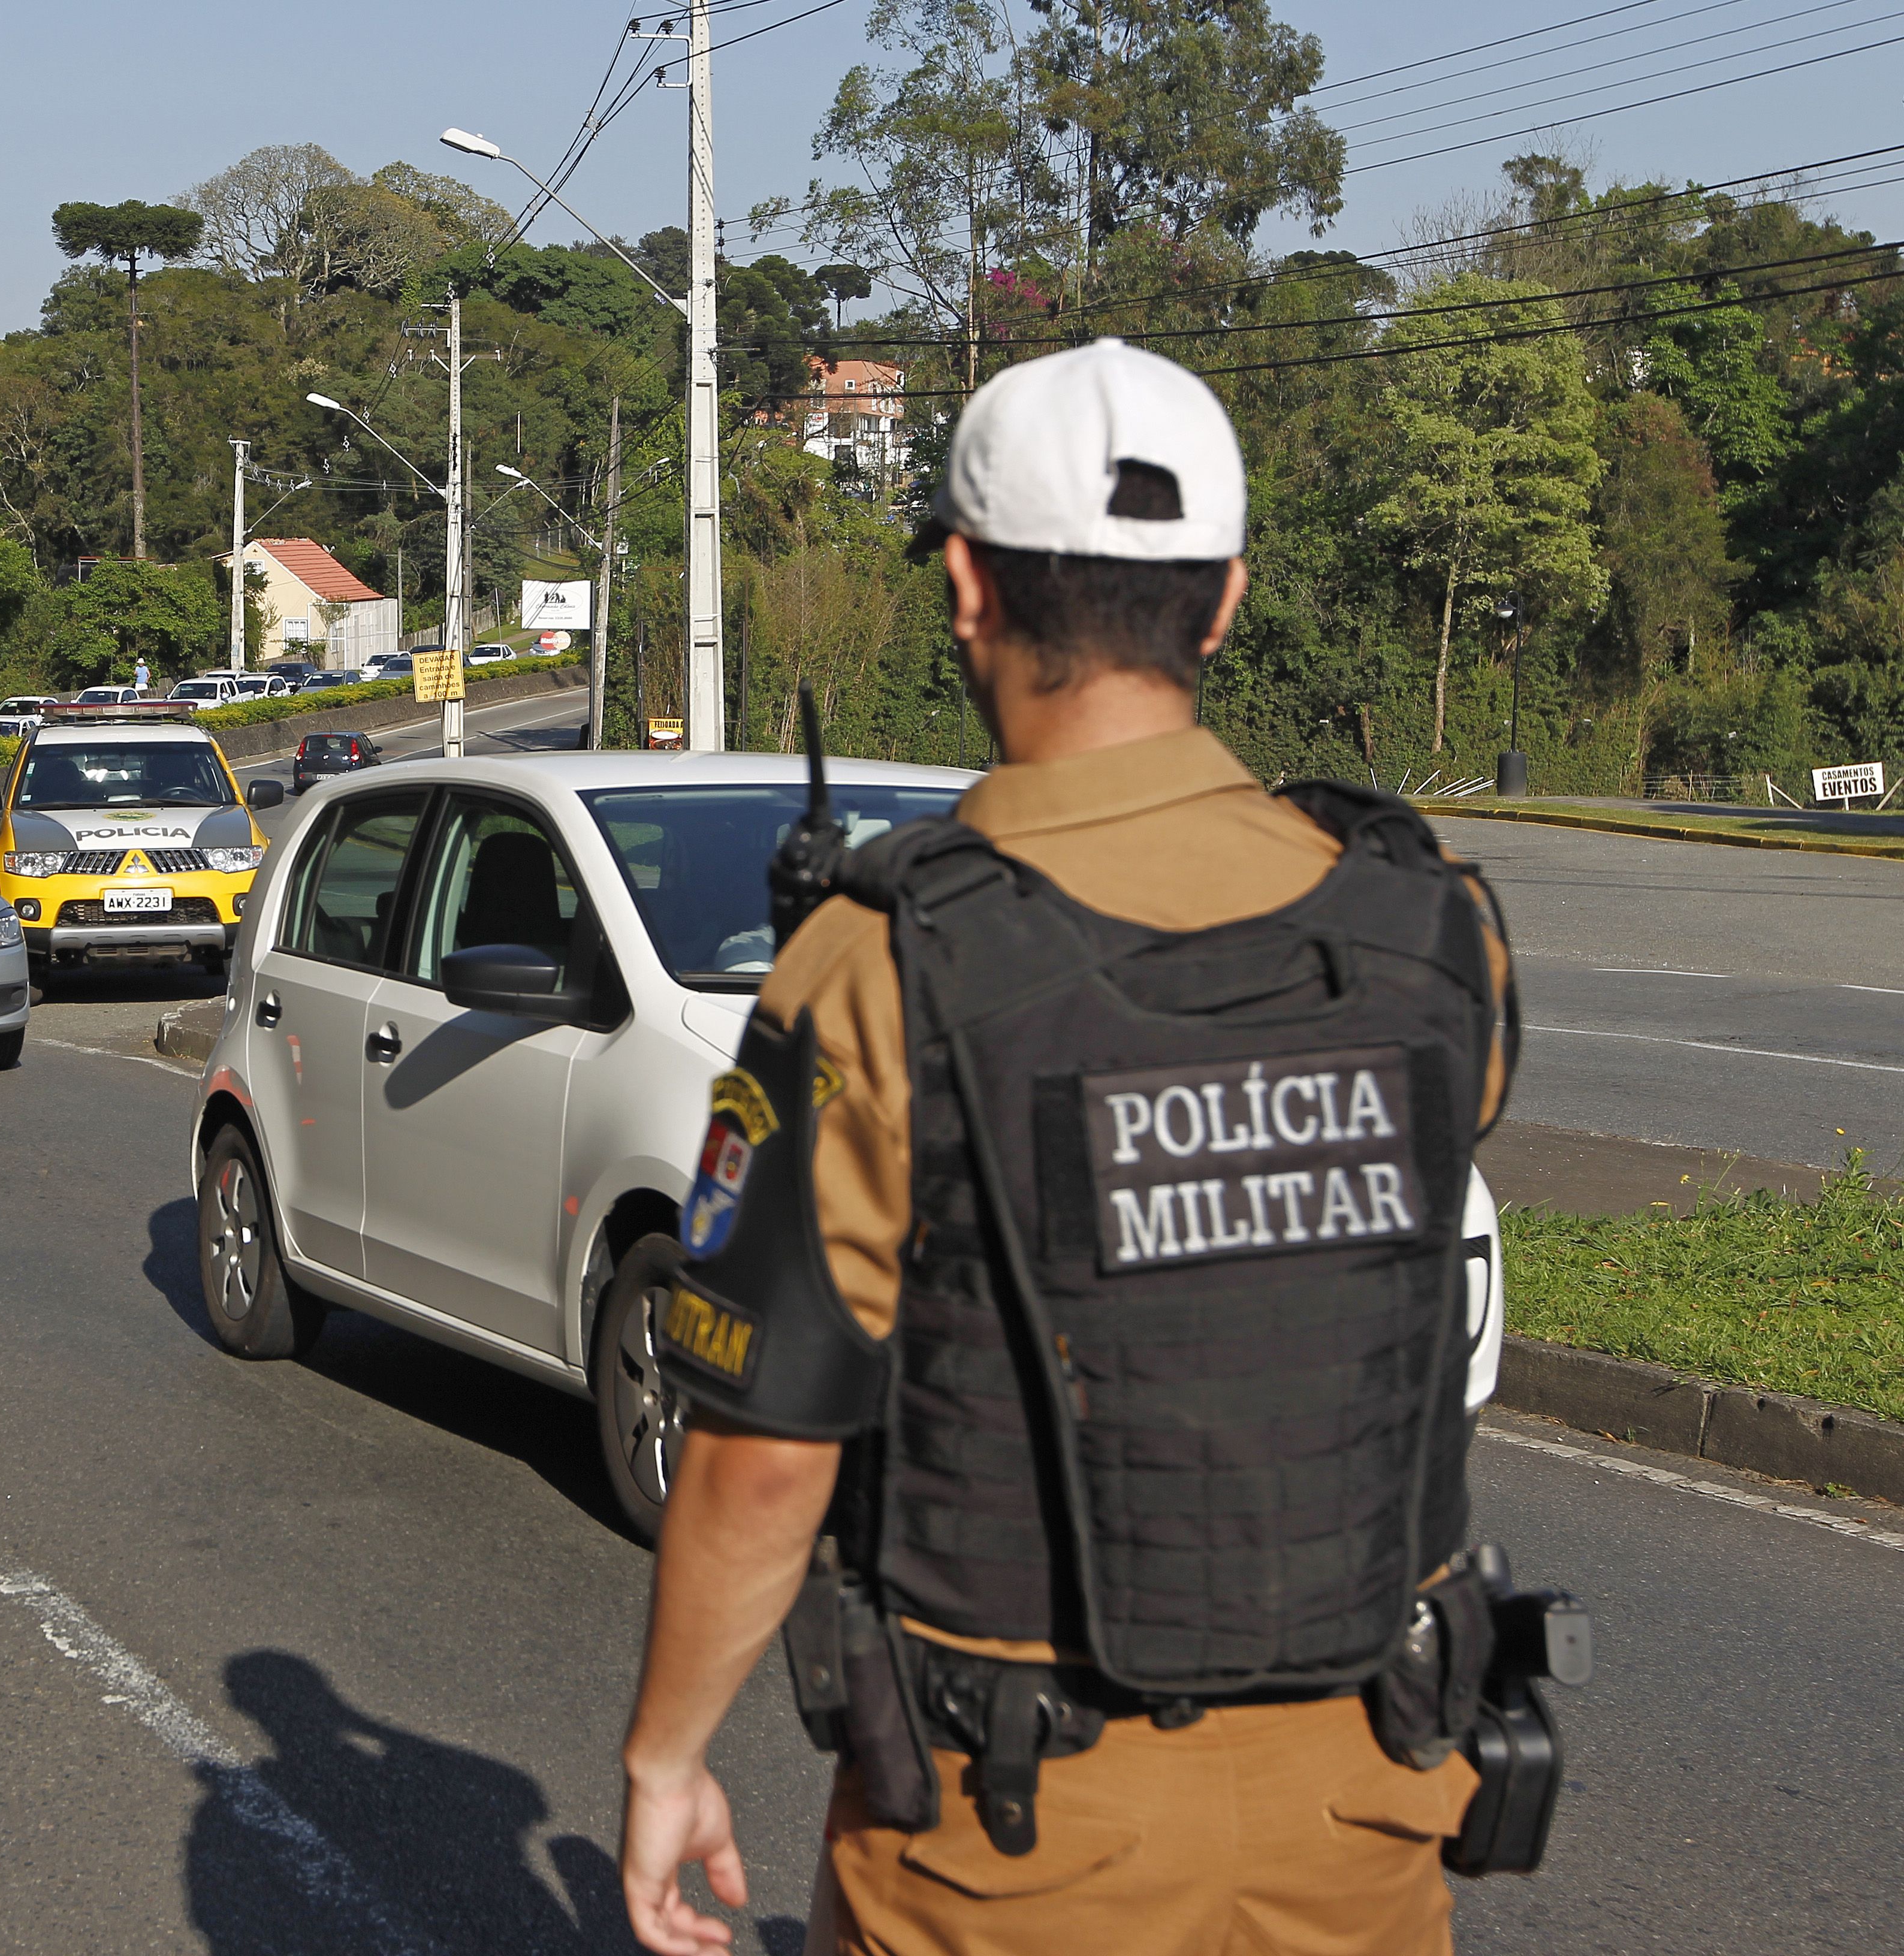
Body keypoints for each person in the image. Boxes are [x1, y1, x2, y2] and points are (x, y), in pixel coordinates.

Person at [617, 339, 1518, 1956]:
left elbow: (765, 1449)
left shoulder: (881, 965)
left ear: (968, 589)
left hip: (1017, 1841)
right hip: (1370, 1806)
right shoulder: (1434, 930)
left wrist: (668, 1753)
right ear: (1226, 601)